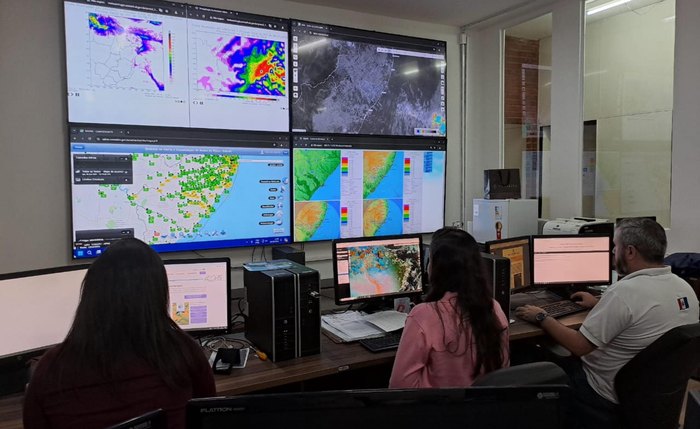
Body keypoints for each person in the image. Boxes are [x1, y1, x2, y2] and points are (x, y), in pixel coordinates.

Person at [515, 218, 699, 426]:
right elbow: (644, 316)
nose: (612, 252)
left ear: (630, 251)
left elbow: (579, 346)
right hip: (650, 394)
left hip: (601, 391)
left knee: (526, 351)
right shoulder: (684, 288)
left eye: (615, 246)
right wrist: (599, 305)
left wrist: (542, 317)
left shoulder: (624, 293)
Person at [23, 238, 216, 429]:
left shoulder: (51, 369)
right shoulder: (184, 352)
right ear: (158, 295)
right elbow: (209, 416)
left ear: (91, 293)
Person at [389, 227, 510, 388]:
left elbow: (399, 387)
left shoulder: (423, 315)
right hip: (484, 409)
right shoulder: (493, 308)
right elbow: (503, 372)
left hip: (440, 410)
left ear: (435, 268)